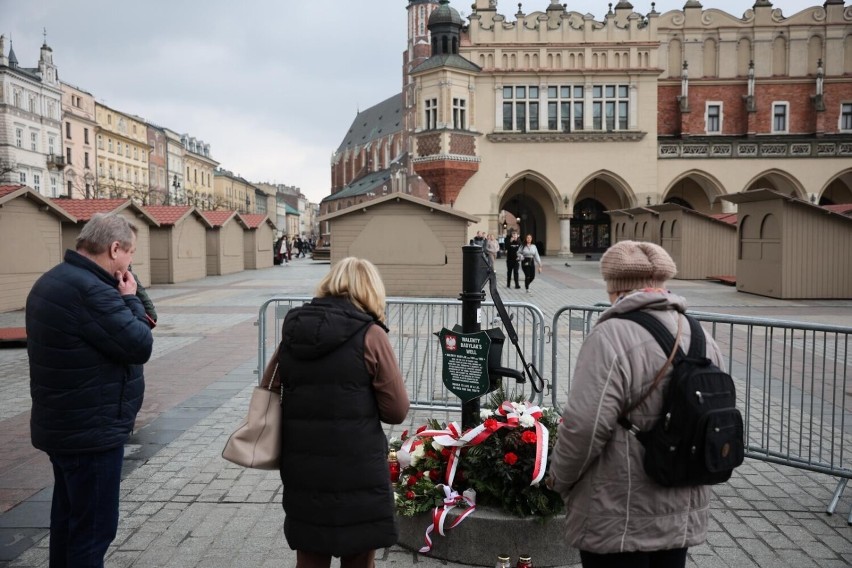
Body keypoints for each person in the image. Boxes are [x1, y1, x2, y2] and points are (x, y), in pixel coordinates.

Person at [547, 241, 724, 568]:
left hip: (619, 516)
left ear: (614, 287)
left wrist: (558, 478)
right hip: (679, 512)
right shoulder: (700, 335)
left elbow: (584, 426)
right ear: (662, 283)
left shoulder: (610, 336)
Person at [26, 213, 154, 568]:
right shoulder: (92, 292)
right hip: (91, 432)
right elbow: (139, 344)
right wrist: (131, 298)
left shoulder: (53, 280)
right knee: (92, 532)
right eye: (130, 254)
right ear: (115, 249)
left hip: (64, 423)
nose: (131, 263)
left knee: (68, 523)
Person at [269, 257, 410, 567]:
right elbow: (396, 410)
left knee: (309, 555)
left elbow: (272, 384)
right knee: (359, 557)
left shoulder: (293, 332)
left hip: (304, 466)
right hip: (357, 469)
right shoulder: (371, 336)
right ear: (371, 290)